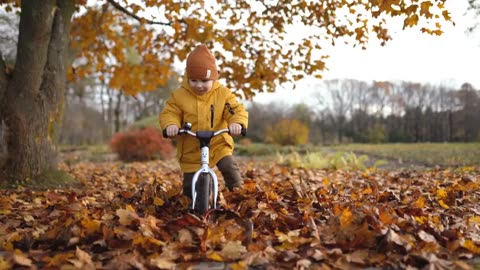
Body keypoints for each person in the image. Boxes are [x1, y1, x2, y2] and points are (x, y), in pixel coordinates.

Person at [159, 44, 249, 199]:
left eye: (204, 80)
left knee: (229, 167)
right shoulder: (180, 95)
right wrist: (171, 125)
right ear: (188, 77)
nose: (199, 85)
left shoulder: (223, 94)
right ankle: (193, 205)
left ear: (213, 77)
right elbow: (170, 112)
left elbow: (235, 109)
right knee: (190, 186)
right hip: (192, 146)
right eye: (194, 80)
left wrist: (237, 123)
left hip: (218, 143)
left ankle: (239, 196)